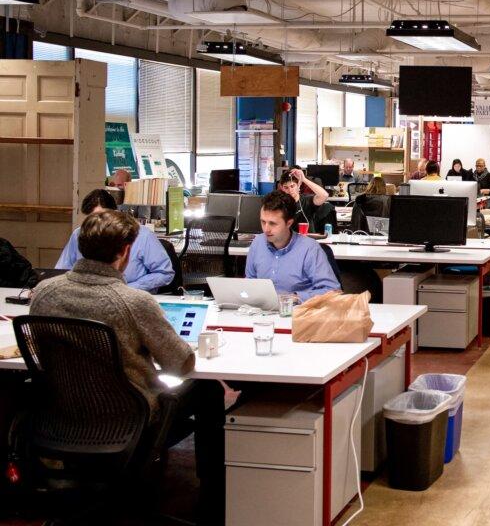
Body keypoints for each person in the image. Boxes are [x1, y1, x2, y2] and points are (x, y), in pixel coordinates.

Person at [32, 210, 224, 517]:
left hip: (61, 415)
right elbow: (181, 364)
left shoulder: (43, 294)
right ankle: (213, 499)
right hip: (127, 419)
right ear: (124, 252)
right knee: (209, 390)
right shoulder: (133, 301)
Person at [56, 189, 175, 292]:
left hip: (130, 295)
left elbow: (164, 273)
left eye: (102, 218)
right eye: (91, 220)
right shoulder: (79, 233)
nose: (98, 225)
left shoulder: (143, 235)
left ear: (115, 214)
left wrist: (129, 289)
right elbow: (61, 270)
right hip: (87, 294)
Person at [245, 191, 340, 302]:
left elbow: (333, 291)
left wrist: (294, 298)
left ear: (289, 223)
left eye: (273, 223)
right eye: (263, 222)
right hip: (262, 312)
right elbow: (250, 282)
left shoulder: (309, 249)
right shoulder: (258, 243)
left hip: (297, 313)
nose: (266, 229)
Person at [277, 167, 331, 233]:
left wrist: (304, 179)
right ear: (282, 188)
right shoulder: (280, 204)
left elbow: (324, 195)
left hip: (307, 239)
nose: (290, 190)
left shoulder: (307, 201)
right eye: (286, 187)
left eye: (292, 186)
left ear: (298, 185)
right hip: (288, 240)